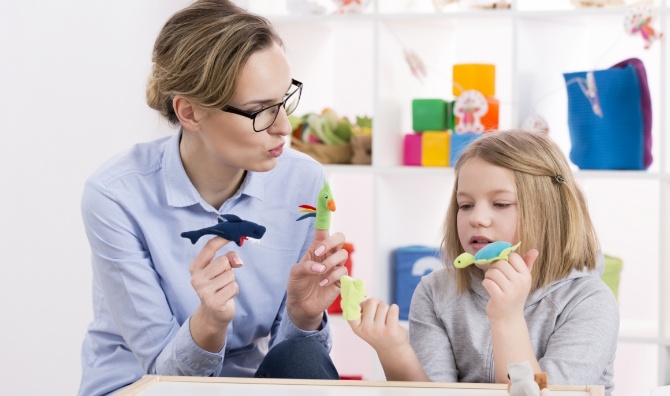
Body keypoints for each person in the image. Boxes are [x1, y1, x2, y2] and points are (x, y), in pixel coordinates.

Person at [78, 1, 349, 395]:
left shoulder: (302, 180)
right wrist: (208, 323)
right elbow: (161, 374)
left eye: (284, 100)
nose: (285, 128)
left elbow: (296, 368)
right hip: (142, 385)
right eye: (260, 111)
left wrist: (304, 315)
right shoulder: (116, 196)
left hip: (245, 387)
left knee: (303, 358)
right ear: (189, 113)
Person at [348, 130, 619, 394]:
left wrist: (507, 317)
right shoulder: (435, 292)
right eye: (465, 205)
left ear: (548, 211)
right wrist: (395, 351)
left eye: (500, 204)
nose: (476, 218)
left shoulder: (589, 302)